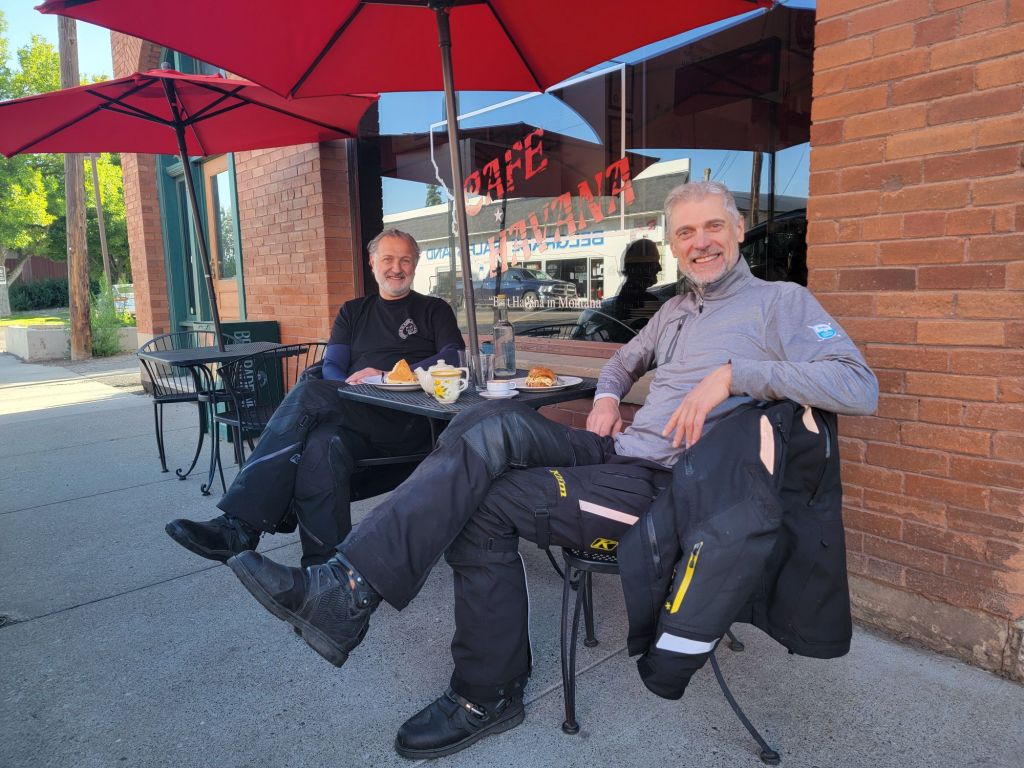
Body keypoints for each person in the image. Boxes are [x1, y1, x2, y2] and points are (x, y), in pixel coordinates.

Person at [223, 182, 879, 759]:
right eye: (686, 232)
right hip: (617, 450)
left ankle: (481, 689)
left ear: (737, 229)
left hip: (671, 485)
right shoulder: (678, 309)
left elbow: (858, 385)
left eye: (713, 227)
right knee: (488, 421)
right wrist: (606, 396)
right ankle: (347, 584)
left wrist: (736, 374)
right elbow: (622, 361)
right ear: (675, 244)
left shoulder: (782, 304)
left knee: (482, 503)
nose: (700, 242)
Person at [165, 229, 464, 568]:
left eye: (405, 260)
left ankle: (240, 525)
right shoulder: (353, 311)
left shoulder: (433, 309)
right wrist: (350, 390)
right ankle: (323, 575)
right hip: (356, 411)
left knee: (309, 393)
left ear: (415, 264)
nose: (397, 268)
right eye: (388, 259)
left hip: (409, 417)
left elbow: (454, 356)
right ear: (372, 263)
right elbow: (333, 364)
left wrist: (386, 377)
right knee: (321, 445)